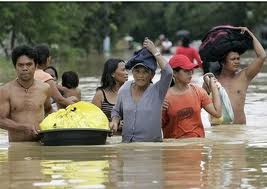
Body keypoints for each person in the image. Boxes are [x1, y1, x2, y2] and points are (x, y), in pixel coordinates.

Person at [110, 38, 173, 142]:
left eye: (145, 72)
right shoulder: (125, 88)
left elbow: (168, 72)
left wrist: (155, 51)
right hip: (127, 147)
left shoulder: (158, 91)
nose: (140, 76)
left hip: (151, 150)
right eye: (137, 71)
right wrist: (114, 122)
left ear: (152, 75)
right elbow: (117, 111)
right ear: (132, 72)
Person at [209, 27, 266, 124]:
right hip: (219, 132)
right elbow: (200, 103)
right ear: (223, 62)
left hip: (240, 131)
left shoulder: (244, 76)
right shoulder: (212, 81)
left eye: (238, 59)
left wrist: (250, 34)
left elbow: (262, 56)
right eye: (233, 59)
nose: (237, 62)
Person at [0, 45, 52, 142]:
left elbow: (49, 110)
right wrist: (22, 127)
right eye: (20, 65)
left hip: (40, 145)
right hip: (17, 147)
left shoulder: (45, 88)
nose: (25, 68)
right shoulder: (5, 90)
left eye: (29, 64)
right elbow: (1, 120)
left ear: (35, 66)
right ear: (15, 67)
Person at [162, 54, 221, 138]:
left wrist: (214, 87)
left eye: (191, 70)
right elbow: (156, 127)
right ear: (174, 73)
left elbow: (217, 113)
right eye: (186, 71)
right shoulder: (165, 97)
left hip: (197, 146)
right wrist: (159, 109)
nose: (190, 73)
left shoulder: (199, 92)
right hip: (175, 147)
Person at [92, 58, 128, 125]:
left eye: (126, 70)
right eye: (123, 70)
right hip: (108, 133)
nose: (126, 73)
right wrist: (112, 124)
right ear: (113, 74)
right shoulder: (100, 94)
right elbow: (93, 120)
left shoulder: (131, 91)